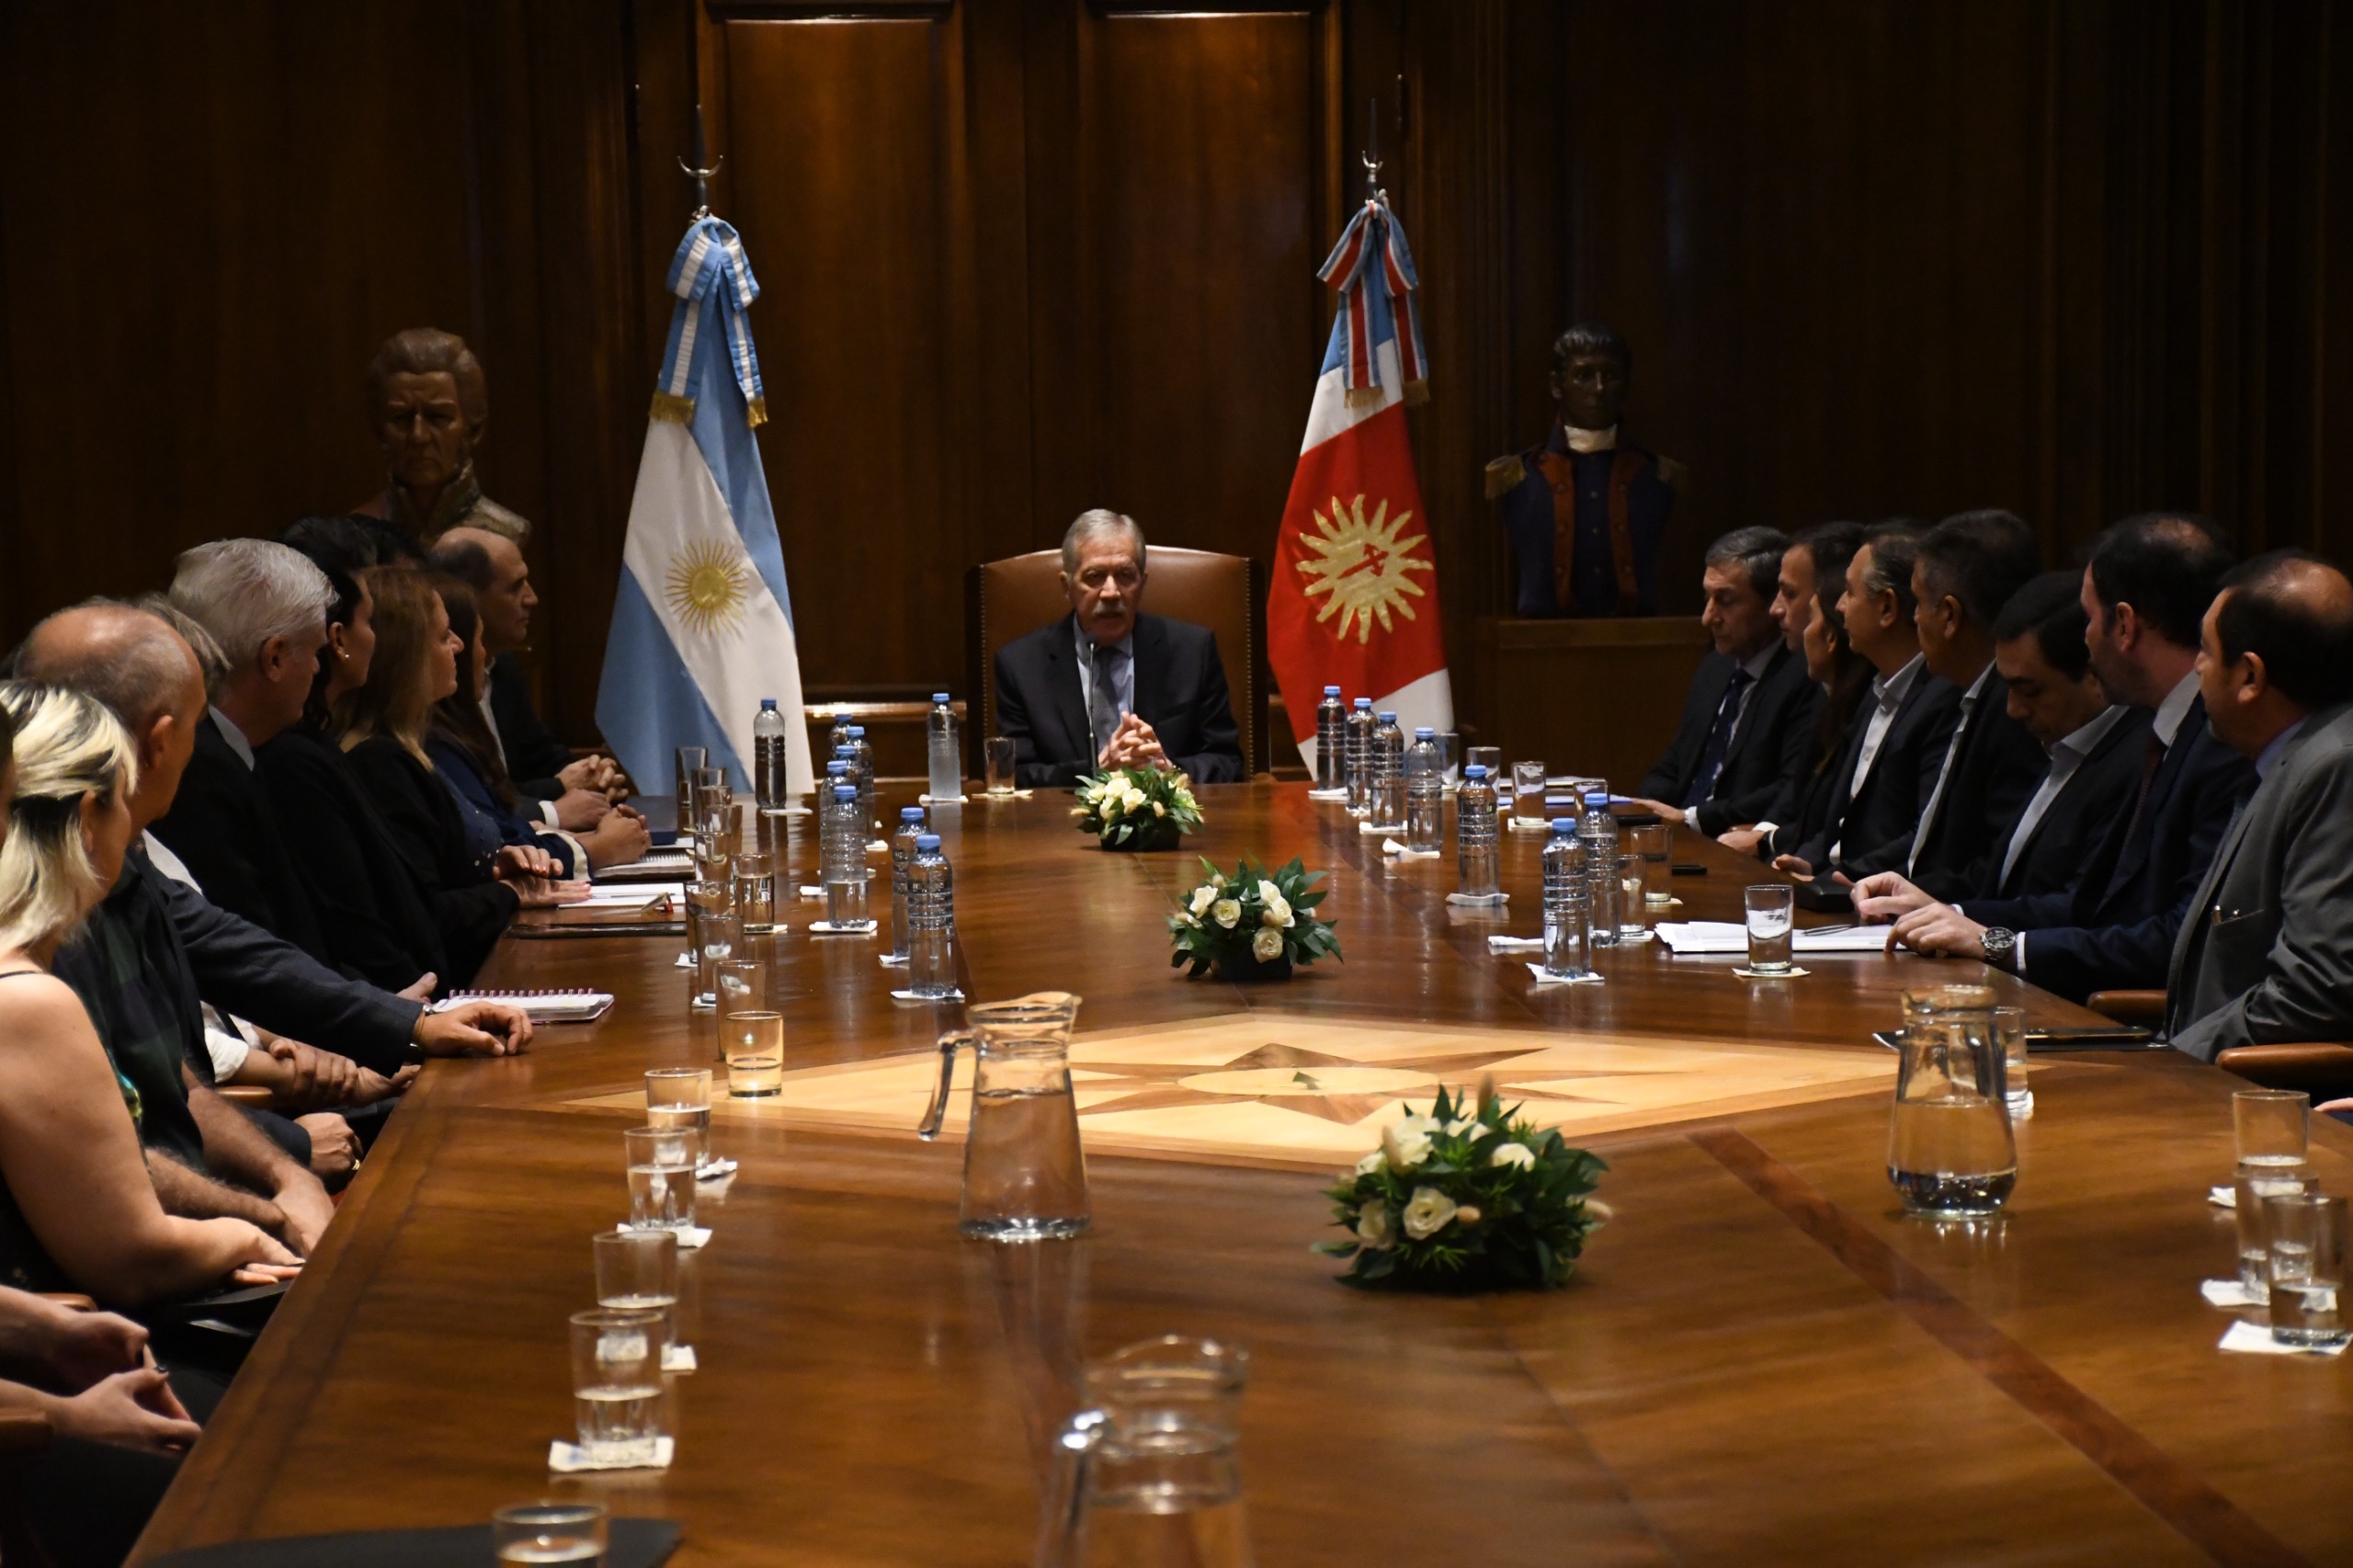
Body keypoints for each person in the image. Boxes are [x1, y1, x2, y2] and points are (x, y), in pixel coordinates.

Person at [1861, 514, 2256, 999]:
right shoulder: (2168, 733)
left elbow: (2180, 940)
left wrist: (1998, 945)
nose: (2084, 640)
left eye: (2088, 619)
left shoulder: (2217, 743)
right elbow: (2089, 905)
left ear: (2124, 625)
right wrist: (1952, 915)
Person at [0, 681, 303, 1302]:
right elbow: (135, 1257)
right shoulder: (28, 996)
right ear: (87, 819)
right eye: (124, 801)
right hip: (92, 1333)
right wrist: (252, 1234)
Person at [336, 569, 581, 983]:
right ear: (406, 657)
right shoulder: (382, 764)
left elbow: (446, 870)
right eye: (442, 636)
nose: (459, 645)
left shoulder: (410, 749)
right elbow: (422, 914)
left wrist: (498, 865)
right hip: (447, 987)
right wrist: (506, 893)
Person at [2165, 553, 2353, 1059]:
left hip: (2265, 1094)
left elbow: (2317, 988)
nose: (2196, 668)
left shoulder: (2335, 768)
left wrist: (2172, 1062)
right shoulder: (2292, 757)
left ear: (2250, 675)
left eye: (2205, 650)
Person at [261, 518, 458, 992]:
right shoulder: (299, 759)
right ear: (338, 640)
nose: (377, 638)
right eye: (369, 623)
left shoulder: (320, 745)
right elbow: (354, 920)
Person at [147, 540, 337, 963]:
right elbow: (246, 954)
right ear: (274, 658)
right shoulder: (200, 772)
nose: (317, 668)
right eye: (315, 651)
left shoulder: (230, 752)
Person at [995, 511, 1246, 789]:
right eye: (1094, 577)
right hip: (1064, 816)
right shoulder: (1021, 666)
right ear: (1067, 586)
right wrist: (1096, 772)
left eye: (1125, 576)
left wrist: (1169, 771)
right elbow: (1013, 775)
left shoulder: (1192, 652)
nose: (1111, 592)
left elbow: (1228, 762)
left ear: (1143, 583)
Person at [1868, 510, 2047, 898]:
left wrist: (1921, 898)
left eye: (1918, 603)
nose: (1915, 618)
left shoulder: (2012, 710)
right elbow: (1934, 840)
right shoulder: (1971, 692)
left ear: (1949, 615)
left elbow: (2002, 867)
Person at [1774, 521, 1961, 881]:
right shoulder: (1876, 690)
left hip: (1880, 896)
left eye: (1849, 592)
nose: (1839, 606)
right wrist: (1810, 862)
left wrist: (1837, 878)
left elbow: (1926, 836)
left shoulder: (1942, 701)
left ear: (1887, 608)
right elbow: (1841, 821)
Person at [428, 578, 648, 875]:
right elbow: (494, 848)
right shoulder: (434, 744)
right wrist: (595, 848)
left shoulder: (455, 728)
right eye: (446, 637)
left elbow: (509, 830)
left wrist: (591, 822)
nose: (462, 647)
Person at [1631, 527, 1822, 835]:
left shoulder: (1804, 677)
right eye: (1707, 598)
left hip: (1736, 841)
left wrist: (1692, 818)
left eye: (1726, 600)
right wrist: (1642, 809)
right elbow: (1675, 765)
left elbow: (1788, 790)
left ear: (1772, 605)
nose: (1708, 617)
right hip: (1682, 835)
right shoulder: (1716, 666)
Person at [428, 526, 625, 823]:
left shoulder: (504, 668)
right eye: (516, 587)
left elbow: (540, 757)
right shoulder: (437, 685)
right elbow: (476, 799)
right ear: (469, 597)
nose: (532, 598)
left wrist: (595, 773)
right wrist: (559, 789)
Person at [1486, 323, 1679, 617]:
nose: (1598, 389)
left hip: (1639, 637)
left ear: (1626, 384)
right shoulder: (1518, 477)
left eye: (1610, 375)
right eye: (1584, 375)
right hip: (1541, 641)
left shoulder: (1657, 476)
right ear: (1557, 385)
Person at [1723, 522, 1871, 859]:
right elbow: (1799, 797)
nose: (1775, 609)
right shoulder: (1824, 686)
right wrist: (1764, 836)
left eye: (1789, 594)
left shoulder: (1869, 698)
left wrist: (1766, 841)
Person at [354, 328, 530, 544]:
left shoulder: (505, 532)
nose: (419, 436)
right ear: (380, 432)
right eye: (401, 418)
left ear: (473, 429)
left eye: (438, 417)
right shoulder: (355, 536)